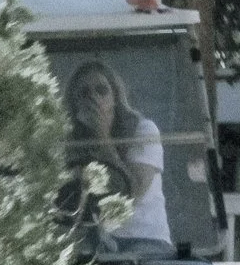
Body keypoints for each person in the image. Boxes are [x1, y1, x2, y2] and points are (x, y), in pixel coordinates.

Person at [62, 60, 176, 252]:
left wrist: (102, 137)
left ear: (114, 97)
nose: (94, 98)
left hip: (145, 241)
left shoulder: (143, 130)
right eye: (85, 93)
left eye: (101, 91)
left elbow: (135, 192)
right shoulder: (70, 141)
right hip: (93, 245)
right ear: (75, 104)